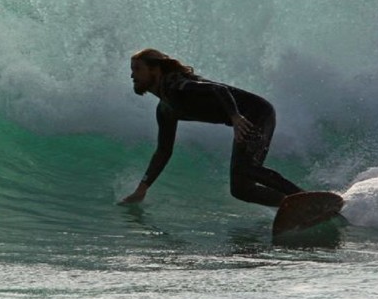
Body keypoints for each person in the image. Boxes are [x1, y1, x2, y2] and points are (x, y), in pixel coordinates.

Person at [121, 48, 303, 207]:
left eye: (137, 69)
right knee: (240, 189)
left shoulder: (178, 87)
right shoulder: (165, 109)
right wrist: (142, 189)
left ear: (155, 69)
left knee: (246, 168)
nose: (132, 75)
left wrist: (235, 117)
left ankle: (302, 197)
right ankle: (289, 205)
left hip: (256, 112)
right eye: (132, 70)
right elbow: (163, 151)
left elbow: (218, 90)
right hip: (244, 117)